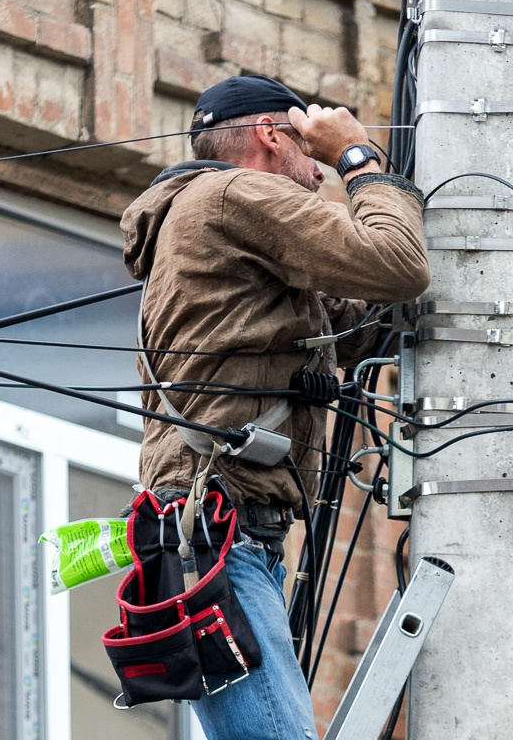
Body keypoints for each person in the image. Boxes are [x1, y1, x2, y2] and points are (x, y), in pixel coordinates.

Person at [120, 74, 430, 739]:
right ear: (269, 134)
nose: (316, 172)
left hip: (224, 531)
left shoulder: (228, 223)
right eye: (307, 149)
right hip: (214, 529)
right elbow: (396, 264)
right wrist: (357, 158)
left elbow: (366, 320)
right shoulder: (234, 193)